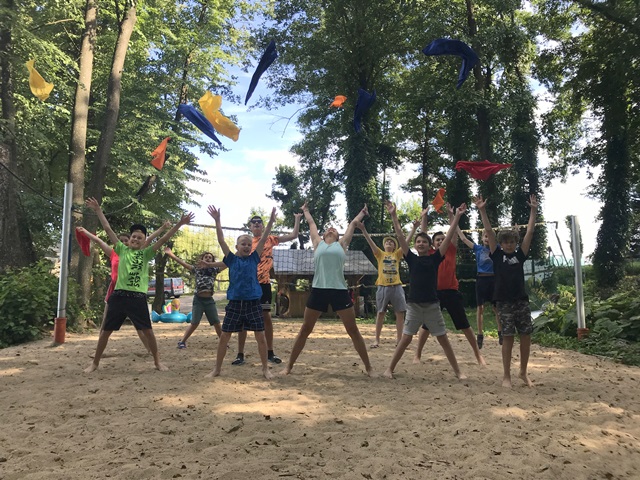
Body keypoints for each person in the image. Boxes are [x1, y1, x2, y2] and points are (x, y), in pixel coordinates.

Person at [84, 200, 194, 373]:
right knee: (105, 331)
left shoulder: (146, 253)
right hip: (119, 296)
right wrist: (98, 209)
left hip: (137, 298)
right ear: (129, 240)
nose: (135, 239)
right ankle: (95, 363)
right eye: (133, 236)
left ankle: (157, 362)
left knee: (148, 331)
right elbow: (107, 229)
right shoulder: (121, 249)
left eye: (139, 237)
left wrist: (179, 224)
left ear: (144, 242)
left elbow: (164, 238)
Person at [282, 202, 373, 376]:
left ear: (338, 236)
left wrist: (362, 212)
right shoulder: (318, 243)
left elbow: (353, 224)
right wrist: (306, 211)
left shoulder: (342, 244)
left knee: (353, 330)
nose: (331, 229)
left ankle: (369, 368)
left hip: (339, 290)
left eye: (334, 229)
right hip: (319, 290)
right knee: (305, 329)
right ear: (323, 235)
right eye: (328, 229)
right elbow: (311, 223)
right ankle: (288, 367)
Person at [383, 200, 466, 380]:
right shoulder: (411, 258)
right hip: (414, 305)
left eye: (424, 242)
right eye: (418, 241)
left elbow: (449, 236)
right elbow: (399, 235)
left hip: (432, 306)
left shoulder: (436, 258)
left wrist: (457, 217)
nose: (421, 244)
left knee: (443, 339)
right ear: (415, 245)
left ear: (430, 246)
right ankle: (389, 369)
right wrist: (393, 215)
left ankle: (458, 372)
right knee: (406, 339)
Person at [85, 198, 169, 354]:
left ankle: (151, 353)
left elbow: (155, 239)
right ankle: (98, 354)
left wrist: (164, 228)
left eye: (137, 238)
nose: (129, 241)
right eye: (129, 238)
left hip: (135, 294)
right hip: (116, 291)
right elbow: (106, 231)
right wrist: (95, 213)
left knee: (142, 328)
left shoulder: (142, 253)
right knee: (106, 326)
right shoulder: (118, 251)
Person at [205, 205, 276, 380]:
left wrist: (271, 222)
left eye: (248, 244)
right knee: (224, 336)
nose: (246, 246)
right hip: (235, 304)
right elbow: (221, 240)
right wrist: (217, 220)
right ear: (237, 246)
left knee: (260, 336)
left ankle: (265, 369)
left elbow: (264, 237)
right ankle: (217, 369)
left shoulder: (254, 258)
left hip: (253, 303)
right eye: (243, 244)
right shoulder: (231, 259)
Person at [475, 194, 538, 388]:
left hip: (521, 301)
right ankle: (506, 376)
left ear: (515, 243)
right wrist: (482, 210)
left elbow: (529, 232)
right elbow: (488, 230)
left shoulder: (520, 254)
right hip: (503, 302)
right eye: (506, 242)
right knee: (508, 337)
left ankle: (523, 372)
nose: (509, 244)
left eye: (512, 241)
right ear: (501, 243)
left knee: (525, 336)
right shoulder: (496, 255)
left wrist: (533, 211)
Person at [413, 203, 485, 366]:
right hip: (434, 294)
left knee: (464, 325)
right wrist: (424, 217)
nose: (440, 241)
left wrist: (452, 215)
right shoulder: (430, 254)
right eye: (437, 240)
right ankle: (417, 355)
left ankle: (478, 355)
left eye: (442, 239)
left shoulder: (450, 250)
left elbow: (453, 233)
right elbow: (423, 235)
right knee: (426, 326)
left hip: (452, 292)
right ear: (433, 244)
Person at [231, 210, 302, 366]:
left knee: (266, 317)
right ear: (250, 227)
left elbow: (293, 235)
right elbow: (231, 260)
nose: (257, 223)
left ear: (263, 226)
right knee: (243, 319)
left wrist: (297, 219)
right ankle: (240, 354)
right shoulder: (246, 243)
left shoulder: (270, 239)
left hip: (263, 285)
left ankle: (270, 352)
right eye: (254, 222)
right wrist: (212, 267)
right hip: (247, 285)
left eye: (259, 222)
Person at [356, 219, 418, 348]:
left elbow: (406, 242)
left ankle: (399, 340)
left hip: (397, 287)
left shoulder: (397, 254)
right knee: (380, 313)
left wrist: (413, 229)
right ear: (384, 245)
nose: (389, 243)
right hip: (383, 287)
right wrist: (363, 230)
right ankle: (376, 340)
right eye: (387, 242)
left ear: (394, 246)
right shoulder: (380, 254)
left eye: (391, 242)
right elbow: (371, 243)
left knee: (400, 313)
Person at [164, 248, 227, 349]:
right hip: (198, 300)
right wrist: (171, 254)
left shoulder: (214, 270)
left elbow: (227, 263)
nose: (208, 258)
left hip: (209, 300)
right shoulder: (196, 269)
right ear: (202, 259)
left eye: (210, 258)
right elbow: (183, 263)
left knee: (216, 322)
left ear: (213, 261)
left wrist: (234, 255)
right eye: (206, 257)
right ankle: (182, 342)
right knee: (194, 323)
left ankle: (223, 343)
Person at [457, 227, 502, 348]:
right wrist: (456, 226)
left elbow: (510, 244)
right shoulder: (478, 249)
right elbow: (464, 239)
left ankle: (500, 332)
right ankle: (480, 334)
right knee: (480, 308)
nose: (487, 239)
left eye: (490, 237)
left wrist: (516, 231)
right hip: (481, 279)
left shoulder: (497, 248)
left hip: (494, 279)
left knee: (496, 307)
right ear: (482, 238)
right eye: (485, 236)